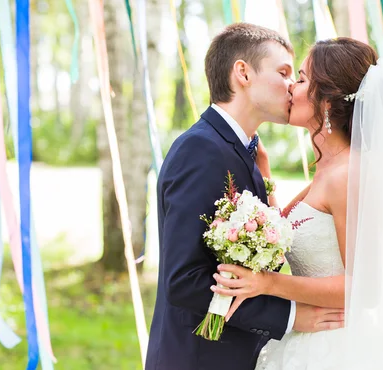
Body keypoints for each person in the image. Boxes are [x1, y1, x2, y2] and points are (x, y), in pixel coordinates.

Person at [211, 38, 383, 369]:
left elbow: (364, 287)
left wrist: (268, 284)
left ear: (327, 101)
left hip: (341, 348)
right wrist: (265, 174)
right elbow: (293, 232)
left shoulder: (349, 174)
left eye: (301, 79)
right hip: (309, 340)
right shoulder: (329, 170)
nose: (290, 87)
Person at [144, 23, 344, 370]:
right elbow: (184, 281)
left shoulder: (244, 153)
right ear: (243, 74)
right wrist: (291, 317)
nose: (292, 87)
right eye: (283, 72)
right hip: (196, 359)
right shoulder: (201, 150)